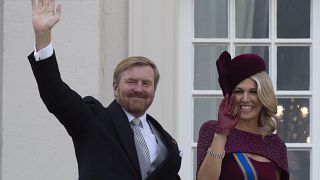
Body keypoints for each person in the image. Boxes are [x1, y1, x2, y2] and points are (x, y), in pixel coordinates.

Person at [28, 0, 181, 179]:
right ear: (115, 87)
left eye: (146, 83)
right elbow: (54, 93)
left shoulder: (165, 140)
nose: (139, 89)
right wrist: (43, 36)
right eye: (131, 82)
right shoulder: (92, 120)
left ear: (154, 89)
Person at [196, 51, 289, 180]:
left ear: (264, 96)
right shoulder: (212, 130)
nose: (245, 99)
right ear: (229, 96)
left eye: (253, 92)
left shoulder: (275, 144)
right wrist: (222, 133)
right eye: (239, 91)